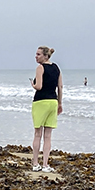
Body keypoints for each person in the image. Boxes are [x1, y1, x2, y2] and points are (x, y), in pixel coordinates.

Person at [30, 45, 62, 173]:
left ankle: (35, 163)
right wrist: (60, 103)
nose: (36, 57)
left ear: (45, 56)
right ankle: (46, 164)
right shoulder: (56, 68)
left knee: (38, 134)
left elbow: (39, 86)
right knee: (48, 136)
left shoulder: (40, 67)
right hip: (53, 101)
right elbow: (60, 87)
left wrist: (33, 84)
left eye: (38, 54)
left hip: (41, 101)